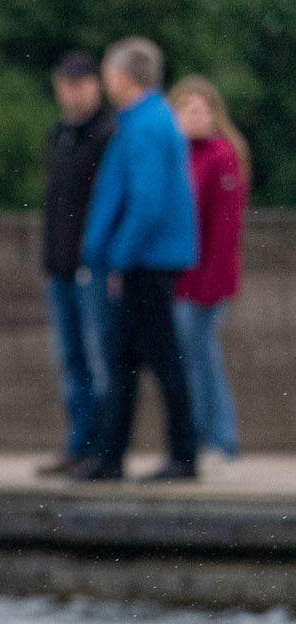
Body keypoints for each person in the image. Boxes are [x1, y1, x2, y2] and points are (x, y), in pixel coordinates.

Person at [72, 38, 199, 483]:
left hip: (146, 261)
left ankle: (183, 455)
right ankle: (111, 456)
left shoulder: (145, 124)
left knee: (161, 358)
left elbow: (146, 202)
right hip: (147, 258)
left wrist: (120, 259)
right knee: (126, 360)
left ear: (123, 76)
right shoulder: (146, 120)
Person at [38, 53, 114, 478]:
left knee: (97, 360)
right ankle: (78, 444)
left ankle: (100, 446)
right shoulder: (60, 136)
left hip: (92, 267)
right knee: (71, 360)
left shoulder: (106, 134)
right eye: (66, 84)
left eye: (81, 83)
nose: (73, 92)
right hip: (61, 266)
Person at [171, 76, 247, 468]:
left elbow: (224, 230)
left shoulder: (221, 155)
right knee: (192, 359)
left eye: (200, 109)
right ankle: (205, 437)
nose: (193, 116)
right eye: (186, 109)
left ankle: (221, 438)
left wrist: (210, 283)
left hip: (206, 281)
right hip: (181, 279)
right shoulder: (179, 154)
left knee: (203, 358)